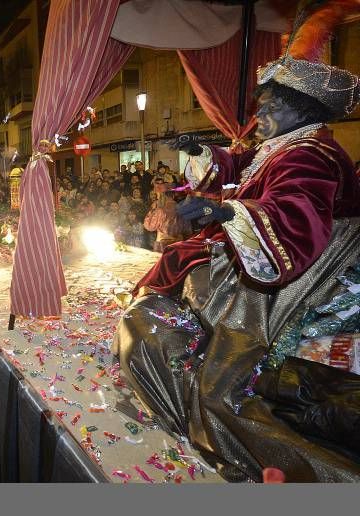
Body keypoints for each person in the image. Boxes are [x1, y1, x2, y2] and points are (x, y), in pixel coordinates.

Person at [115, 4, 360, 482]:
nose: (259, 114)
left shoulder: (310, 155)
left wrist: (227, 211)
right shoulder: (289, 145)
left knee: (217, 390)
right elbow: (240, 163)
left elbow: (296, 220)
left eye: (269, 107)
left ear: (300, 109)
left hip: (285, 292)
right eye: (260, 106)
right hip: (246, 272)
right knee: (167, 306)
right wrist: (201, 153)